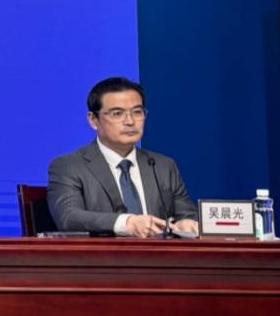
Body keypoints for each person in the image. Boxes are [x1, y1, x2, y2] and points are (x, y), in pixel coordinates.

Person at [47, 77, 198, 237]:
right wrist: (127, 223)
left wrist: (187, 224)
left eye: (137, 112)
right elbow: (68, 217)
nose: (130, 121)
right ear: (93, 120)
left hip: (159, 253)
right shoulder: (69, 166)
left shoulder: (163, 165)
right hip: (103, 253)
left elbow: (188, 215)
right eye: (117, 113)